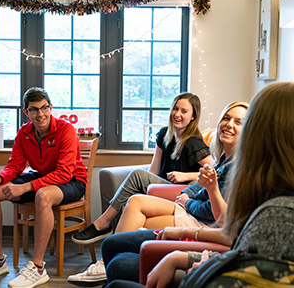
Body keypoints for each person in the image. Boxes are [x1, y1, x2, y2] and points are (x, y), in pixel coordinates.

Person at [108, 82, 294, 288]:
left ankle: (101, 230)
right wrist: (190, 196)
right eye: (226, 118)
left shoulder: (277, 209)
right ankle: (102, 236)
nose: (229, 125)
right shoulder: (239, 167)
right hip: (199, 229)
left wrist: (187, 237)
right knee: (119, 236)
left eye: (243, 122)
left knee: (119, 262)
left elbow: (229, 235)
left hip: (199, 225)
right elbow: (236, 240)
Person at [68, 92, 213, 283]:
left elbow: (214, 171)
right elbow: (154, 168)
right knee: (135, 189)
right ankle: (108, 252)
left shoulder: (194, 143)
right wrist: (145, 186)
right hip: (162, 188)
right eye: (175, 109)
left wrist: (186, 175)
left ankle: (103, 225)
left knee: (137, 176)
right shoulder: (165, 134)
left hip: (182, 192)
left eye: (184, 111)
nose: (177, 114)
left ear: (193, 116)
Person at [98, 101, 247, 284]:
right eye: (226, 118)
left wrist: (188, 202)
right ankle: (109, 253)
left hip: (202, 220)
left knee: (137, 213)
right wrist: (186, 193)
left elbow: (213, 210)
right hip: (193, 211)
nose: (229, 124)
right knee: (136, 201)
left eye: (238, 122)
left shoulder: (224, 159)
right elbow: (200, 183)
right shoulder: (222, 157)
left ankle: (108, 251)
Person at [0, 87, 88, 288]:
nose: (40, 114)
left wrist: (24, 188)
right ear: (26, 112)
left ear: (51, 107)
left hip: (72, 181)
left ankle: (38, 268)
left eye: (44, 108)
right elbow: (15, 166)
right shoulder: (24, 132)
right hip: (41, 177)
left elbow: (64, 173)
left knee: (43, 195)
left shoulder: (66, 129)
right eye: (34, 109)